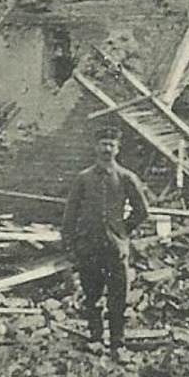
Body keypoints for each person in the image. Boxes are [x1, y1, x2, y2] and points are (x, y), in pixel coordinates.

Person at [61, 126, 151, 357]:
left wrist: (122, 232)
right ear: (95, 147)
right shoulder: (83, 179)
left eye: (111, 144)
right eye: (103, 144)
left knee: (118, 295)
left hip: (115, 249)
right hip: (89, 248)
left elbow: (142, 211)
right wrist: (71, 246)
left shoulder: (126, 178)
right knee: (92, 295)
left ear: (118, 149)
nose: (106, 149)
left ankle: (117, 341)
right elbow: (69, 216)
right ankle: (95, 337)